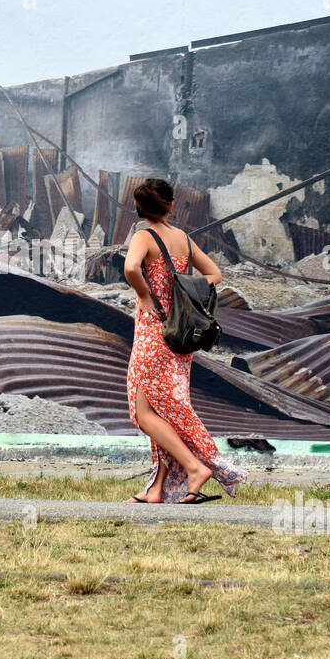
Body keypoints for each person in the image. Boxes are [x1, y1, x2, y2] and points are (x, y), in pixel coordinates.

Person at [121, 177, 251, 504]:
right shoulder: (182, 238)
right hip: (180, 335)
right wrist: (185, 291)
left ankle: (195, 467)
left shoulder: (143, 235)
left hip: (154, 333)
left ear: (138, 208)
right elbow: (214, 275)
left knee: (142, 412)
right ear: (171, 205)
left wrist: (145, 295)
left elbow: (131, 267)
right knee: (163, 410)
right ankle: (157, 489)